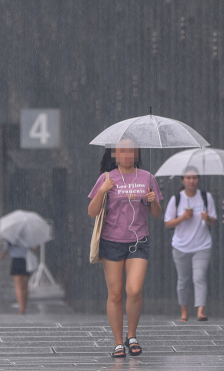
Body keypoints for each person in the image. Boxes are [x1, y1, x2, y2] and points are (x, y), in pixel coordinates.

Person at [88, 140, 163, 358]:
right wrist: (103, 190)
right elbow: (92, 212)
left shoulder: (147, 177)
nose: (127, 154)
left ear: (136, 154)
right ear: (115, 155)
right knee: (116, 294)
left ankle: (132, 335)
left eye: (131, 151)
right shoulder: (107, 177)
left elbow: (156, 213)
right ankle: (118, 342)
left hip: (138, 241)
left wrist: (153, 201)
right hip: (111, 242)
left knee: (135, 290)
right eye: (122, 151)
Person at [164, 167, 217, 322]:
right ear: (182, 180)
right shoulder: (176, 199)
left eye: (194, 178)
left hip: (202, 245)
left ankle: (200, 311)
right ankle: (184, 311)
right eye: (188, 178)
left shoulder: (206, 197)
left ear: (198, 179)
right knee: (183, 280)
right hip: (181, 246)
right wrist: (182, 218)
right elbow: (168, 223)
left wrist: (207, 218)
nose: (191, 181)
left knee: (199, 277)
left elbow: (213, 221)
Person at [0, 241, 34, 314]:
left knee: (18, 287)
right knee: (25, 286)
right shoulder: (27, 237)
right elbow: (34, 248)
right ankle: (24, 306)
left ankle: (21, 308)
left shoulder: (10, 237)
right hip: (26, 261)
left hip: (15, 261)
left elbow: (5, 250)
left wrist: (2, 256)